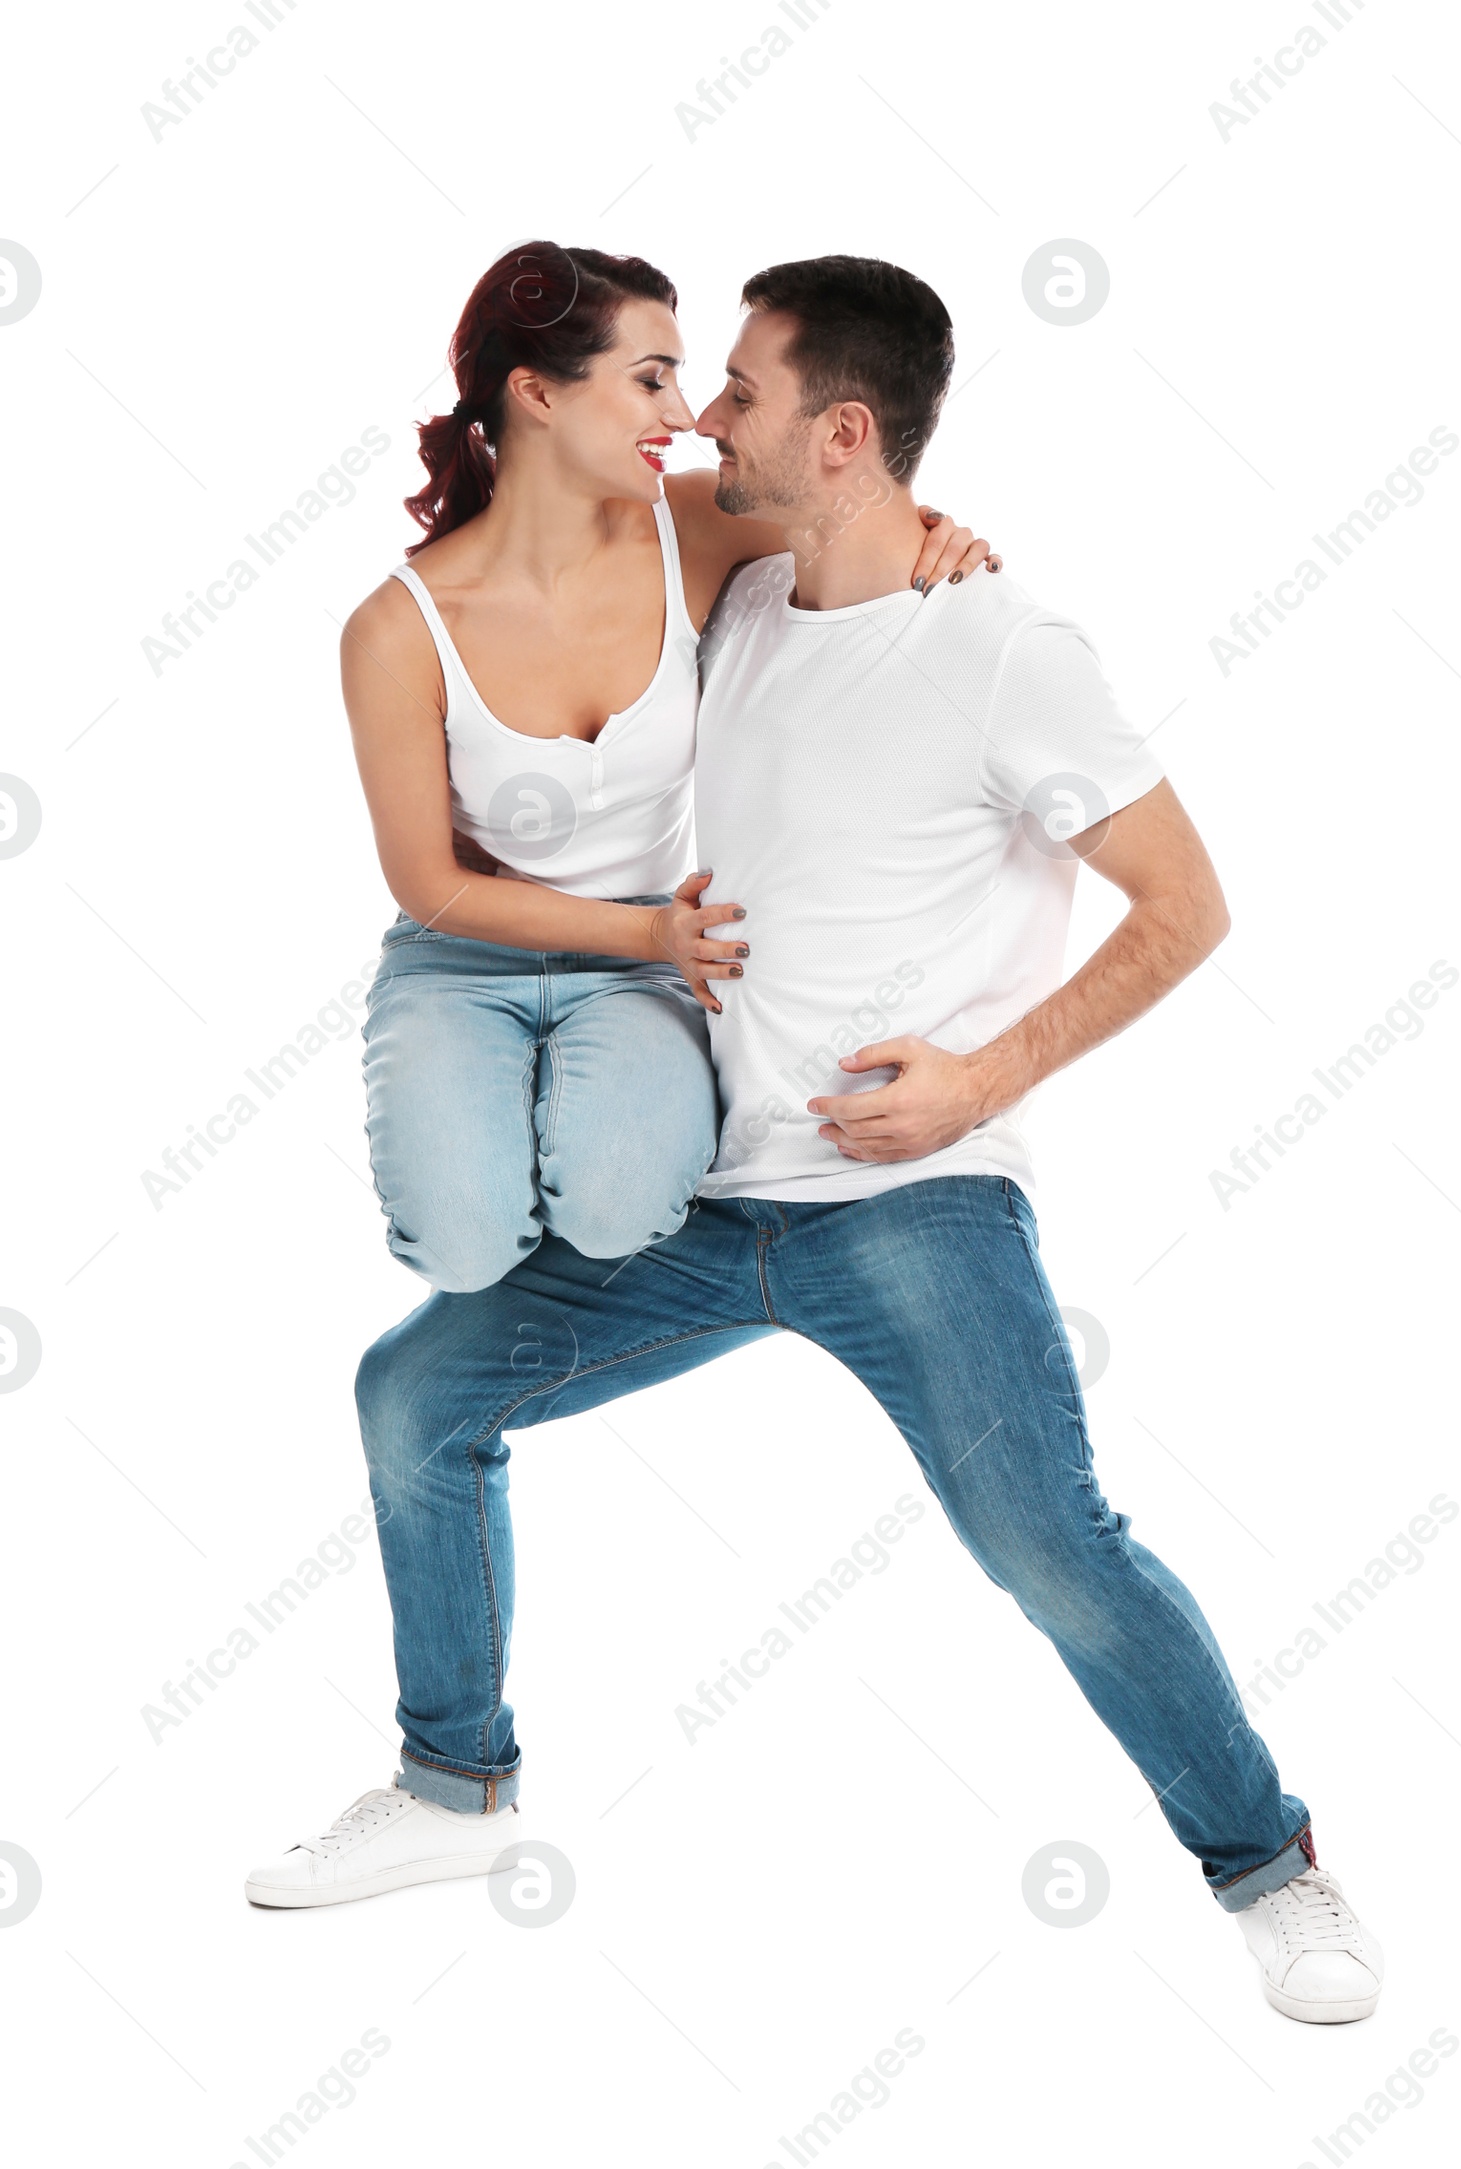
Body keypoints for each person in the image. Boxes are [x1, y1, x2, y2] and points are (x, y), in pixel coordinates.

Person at [246, 254, 1383, 2031]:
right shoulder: (742, 596)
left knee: (1047, 1540)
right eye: (682, 385)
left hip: (911, 1196)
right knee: (416, 1395)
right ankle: (456, 1780)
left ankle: (1274, 1867)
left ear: (841, 433)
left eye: (744, 392)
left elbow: (1189, 907)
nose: (704, 418)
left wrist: (983, 1079)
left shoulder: (1004, 639)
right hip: (710, 1193)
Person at [340, 241, 992, 1294]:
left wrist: (941, 531)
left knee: (617, 1217)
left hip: (650, 962)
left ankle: (572, 1170)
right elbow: (430, 883)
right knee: (460, 1250)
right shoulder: (395, 629)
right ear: (537, 394)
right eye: (651, 379)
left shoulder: (690, 524)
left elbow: (854, 508)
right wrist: (648, 932)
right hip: (466, 954)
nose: (687, 415)